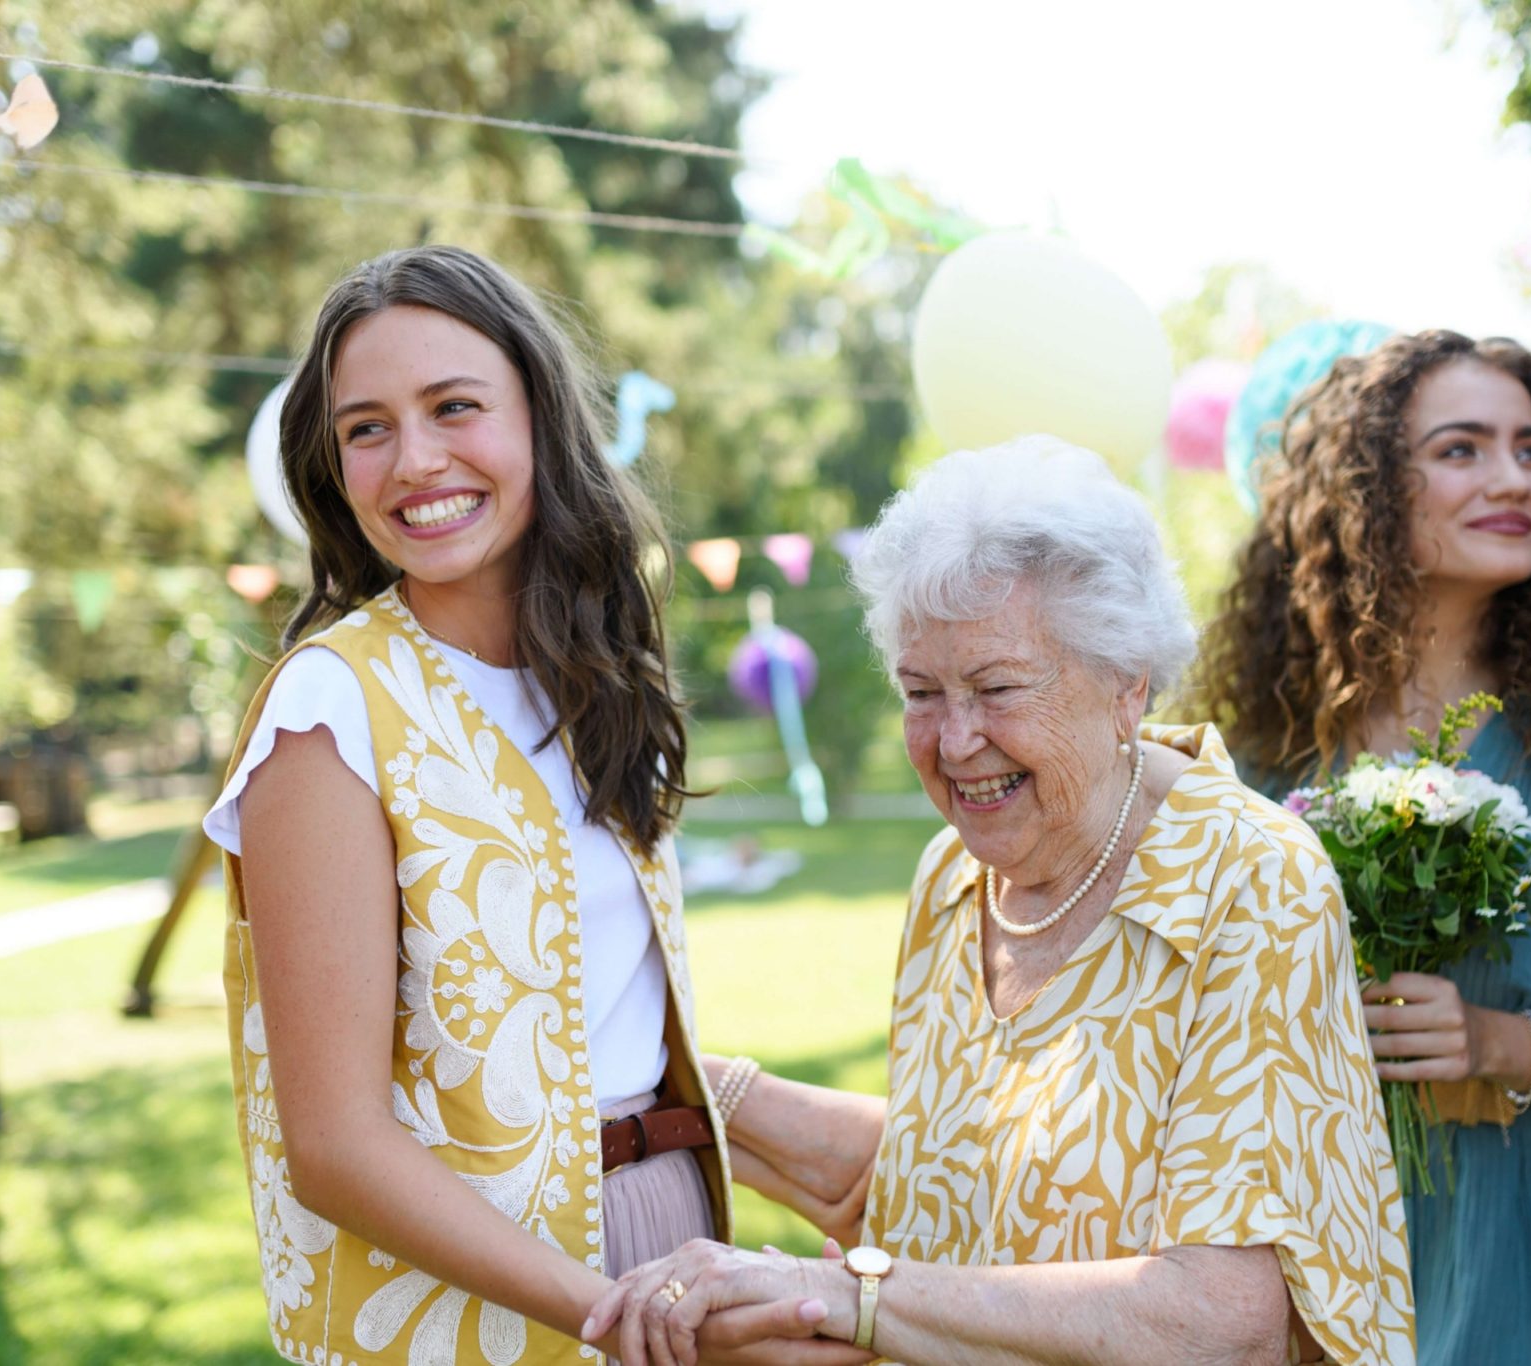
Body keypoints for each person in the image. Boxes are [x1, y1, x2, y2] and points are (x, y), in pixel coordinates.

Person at [581, 436, 1416, 1365]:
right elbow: (957, 1169)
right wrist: (684, 1085)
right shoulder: (953, 876)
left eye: (998, 688)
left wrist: (848, 1295)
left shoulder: (1250, 882)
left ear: (1125, 685)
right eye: (921, 692)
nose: (956, 739)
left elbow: (1222, 1321)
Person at [206, 246, 842, 1365]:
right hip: (480, 1293)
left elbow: (595, 1025)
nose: (414, 460)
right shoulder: (330, 705)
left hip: (667, 1227)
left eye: (454, 407)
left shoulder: (590, 675)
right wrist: (614, 1313)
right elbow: (336, 1143)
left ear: (541, 419)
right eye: (366, 427)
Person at [1196, 330, 1531, 1365]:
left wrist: (1494, 1043)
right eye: (1461, 449)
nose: (1513, 479)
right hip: (1316, 1238)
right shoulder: (1262, 741)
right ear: (1369, 485)